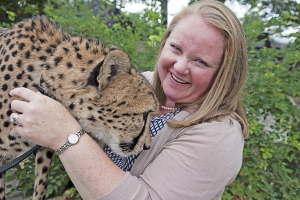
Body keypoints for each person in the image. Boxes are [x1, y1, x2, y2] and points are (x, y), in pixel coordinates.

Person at [9, 0, 249, 199]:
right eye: (175, 48)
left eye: (201, 61)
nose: (180, 66)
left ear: (224, 75)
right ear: (163, 44)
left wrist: (65, 135)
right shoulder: (139, 85)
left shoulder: (219, 136)